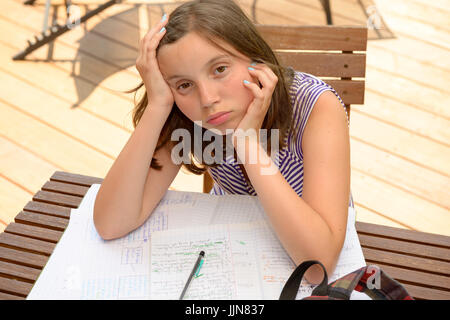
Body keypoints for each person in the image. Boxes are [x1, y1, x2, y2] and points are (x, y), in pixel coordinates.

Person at [93, 0, 352, 284]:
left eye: (219, 69)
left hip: (307, 235)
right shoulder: (184, 115)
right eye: (184, 84)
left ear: (255, 57)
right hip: (233, 242)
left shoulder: (316, 106)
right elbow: (110, 223)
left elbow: (317, 267)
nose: (207, 99)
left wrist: (248, 144)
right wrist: (158, 105)